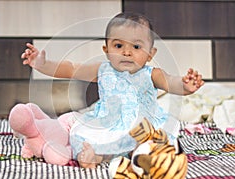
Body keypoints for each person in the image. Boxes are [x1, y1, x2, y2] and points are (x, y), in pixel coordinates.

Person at [15, 12, 204, 168]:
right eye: (118, 45)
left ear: (150, 54)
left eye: (136, 46)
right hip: (109, 122)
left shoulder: (151, 74)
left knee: (158, 139)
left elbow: (170, 82)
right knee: (82, 133)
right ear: (106, 49)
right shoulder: (103, 70)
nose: (126, 52)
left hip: (142, 125)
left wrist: (185, 86)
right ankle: (95, 156)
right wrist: (42, 64)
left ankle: (147, 155)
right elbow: (71, 69)